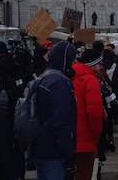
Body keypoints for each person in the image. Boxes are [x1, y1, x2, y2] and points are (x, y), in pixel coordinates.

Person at [31, 41, 77, 180]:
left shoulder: (45, 76)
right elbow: (61, 120)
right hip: (54, 149)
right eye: (72, 58)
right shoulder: (60, 82)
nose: (74, 62)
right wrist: (67, 151)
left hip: (41, 143)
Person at [72, 49, 105, 180]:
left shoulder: (71, 76)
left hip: (71, 138)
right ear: (92, 64)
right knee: (88, 174)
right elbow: (95, 112)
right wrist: (96, 133)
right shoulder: (90, 80)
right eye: (99, 63)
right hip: (86, 138)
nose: (101, 66)